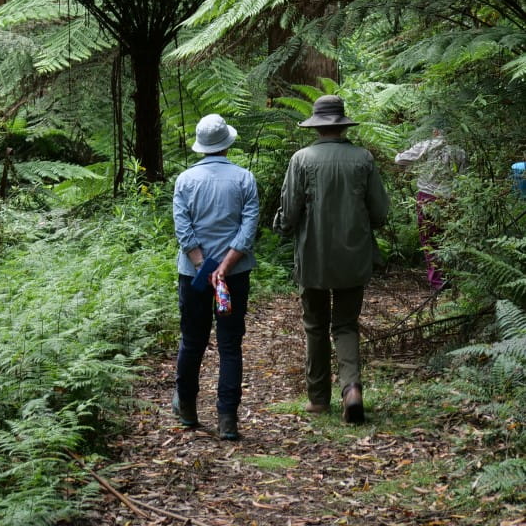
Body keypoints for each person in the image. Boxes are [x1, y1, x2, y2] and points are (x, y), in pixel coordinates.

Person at [273, 95, 389, 424]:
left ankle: (319, 398)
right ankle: (351, 389)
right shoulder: (363, 158)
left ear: (317, 126)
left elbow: (290, 211)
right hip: (354, 255)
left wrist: (281, 225)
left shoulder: (301, 159)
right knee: (346, 325)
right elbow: (380, 212)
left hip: (313, 257)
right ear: (341, 125)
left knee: (315, 326)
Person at [172, 112, 259, 441]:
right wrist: (224, 267)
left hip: (193, 276)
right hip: (234, 276)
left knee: (192, 341)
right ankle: (227, 420)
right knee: (230, 345)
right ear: (227, 144)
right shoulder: (244, 179)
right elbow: (248, 229)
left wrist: (203, 264)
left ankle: (188, 410)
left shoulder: (185, 181)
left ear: (201, 146)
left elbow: (184, 230)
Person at [395, 126, 466, 291]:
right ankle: (451, 279)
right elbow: (462, 177)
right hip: (451, 199)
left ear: (435, 131)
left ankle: (437, 283)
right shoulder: (460, 151)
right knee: (449, 239)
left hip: (428, 197)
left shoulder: (426, 145)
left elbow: (400, 159)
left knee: (430, 240)